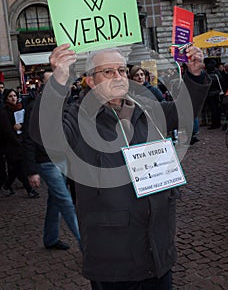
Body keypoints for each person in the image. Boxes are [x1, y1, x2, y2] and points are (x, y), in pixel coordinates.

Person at [29, 43, 210, 290]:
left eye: (122, 70)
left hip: (157, 251)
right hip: (113, 258)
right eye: (108, 72)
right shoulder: (78, 116)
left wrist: (195, 75)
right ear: (91, 82)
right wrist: (58, 81)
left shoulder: (145, 109)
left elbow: (184, 113)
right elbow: (45, 134)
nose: (118, 77)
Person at [23, 71, 81, 250]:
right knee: (65, 201)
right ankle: (86, 246)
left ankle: (50, 238)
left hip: (60, 158)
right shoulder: (35, 106)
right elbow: (28, 138)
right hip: (46, 161)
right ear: (42, 84)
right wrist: (32, 170)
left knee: (55, 201)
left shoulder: (61, 102)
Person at [0, 89, 40, 197]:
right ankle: (30, 190)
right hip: (11, 145)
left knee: (16, 168)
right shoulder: (4, 112)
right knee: (20, 167)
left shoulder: (20, 108)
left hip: (21, 141)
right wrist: (18, 140)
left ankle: (6, 185)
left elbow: (25, 123)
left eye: (14, 96)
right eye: (10, 96)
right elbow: (7, 131)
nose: (13, 98)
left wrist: (21, 126)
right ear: (6, 98)